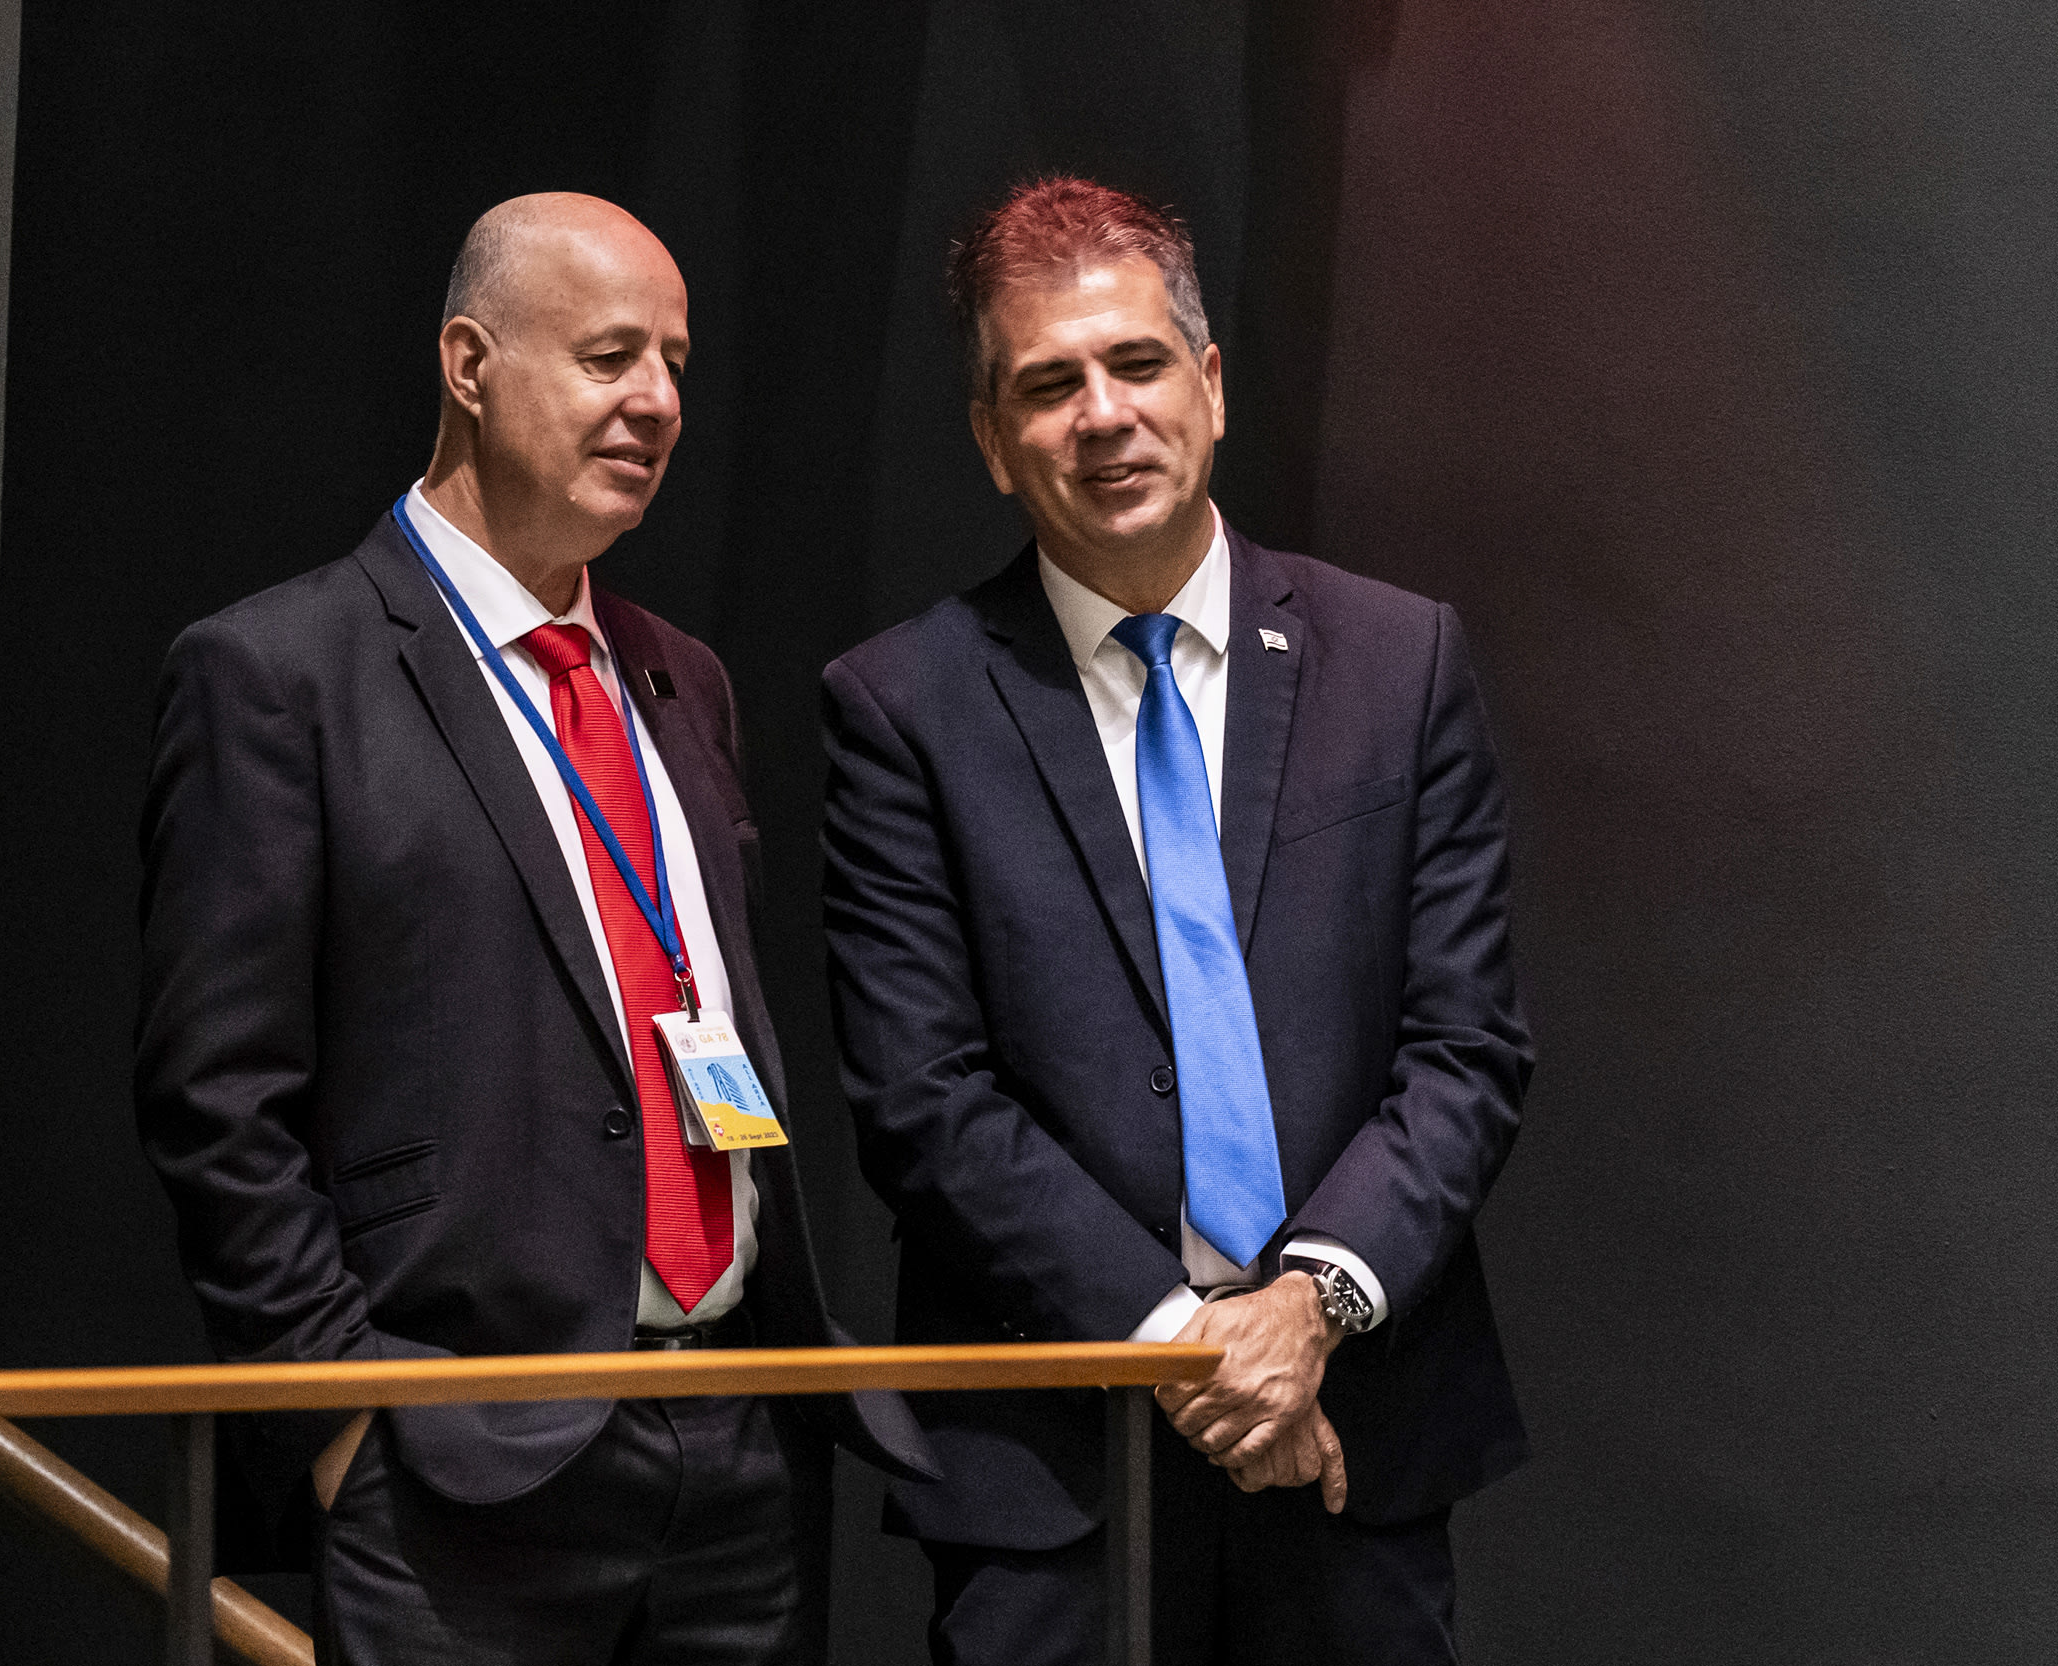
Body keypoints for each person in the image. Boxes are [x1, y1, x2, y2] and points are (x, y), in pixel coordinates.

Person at [136, 191, 931, 1666]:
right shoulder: (278, 674)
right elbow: (214, 1098)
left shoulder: (681, 679)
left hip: (739, 1446)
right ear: (468, 362)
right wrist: (341, 1417)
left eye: (676, 364)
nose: (659, 401)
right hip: (459, 1462)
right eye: (611, 355)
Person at [821, 176, 1533, 1665]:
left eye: (1137, 364)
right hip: (1052, 1474)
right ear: (991, 442)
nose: (1102, 412)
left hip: (1357, 1429)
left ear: (1207, 387)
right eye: (1047, 383)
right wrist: (1184, 1343)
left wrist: (1309, 1306)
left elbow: (1464, 1047)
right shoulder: (902, 707)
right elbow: (922, 1099)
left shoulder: (1398, 661)